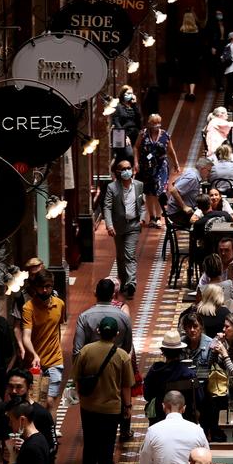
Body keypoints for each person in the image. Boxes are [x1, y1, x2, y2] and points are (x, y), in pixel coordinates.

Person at [71, 317, 134, 464]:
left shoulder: (85, 351)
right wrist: (127, 406)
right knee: (107, 445)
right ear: (116, 334)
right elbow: (126, 386)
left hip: (88, 407)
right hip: (111, 409)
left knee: (90, 443)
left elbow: (77, 378)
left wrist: (82, 397)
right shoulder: (122, 356)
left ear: (98, 331)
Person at [21, 271, 66, 414]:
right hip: (36, 363)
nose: (45, 290)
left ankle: (50, 435)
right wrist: (34, 355)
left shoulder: (60, 305)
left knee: (50, 401)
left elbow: (58, 327)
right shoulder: (28, 308)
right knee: (36, 402)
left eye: (48, 286)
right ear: (35, 287)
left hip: (55, 360)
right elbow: (26, 336)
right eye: (41, 287)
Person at [103, 158, 145, 299]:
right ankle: (123, 281)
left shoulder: (139, 185)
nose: (127, 171)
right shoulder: (112, 188)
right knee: (120, 256)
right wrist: (109, 225)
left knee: (129, 255)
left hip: (133, 225)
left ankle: (131, 284)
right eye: (124, 169)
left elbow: (142, 204)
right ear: (118, 172)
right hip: (118, 227)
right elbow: (107, 207)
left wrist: (143, 217)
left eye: (129, 168)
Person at [143, 330, 201, 425]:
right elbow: (198, 398)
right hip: (185, 419)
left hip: (160, 418)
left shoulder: (155, 371)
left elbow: (147, 395)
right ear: (180, 351)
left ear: (163, 351)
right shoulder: (189, 374)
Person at [135, 113, 180, 228]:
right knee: (149, 192)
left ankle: (159, 217)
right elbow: (136, 147)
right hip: (146, 166)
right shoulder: (143, 134)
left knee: (159, 192)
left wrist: (176, 163)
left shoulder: (165, 135)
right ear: (149, 124)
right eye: (153, 123)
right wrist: (136, 162)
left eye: (157, 123)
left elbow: (171, 151)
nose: (156, 126)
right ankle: (152, 217)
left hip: (161, 167)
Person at [73, 278, 134, 357]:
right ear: (113, 295)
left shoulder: (84, 317)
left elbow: (77, 349)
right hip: (116, 364)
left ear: (96, 294)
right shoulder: (124, 317)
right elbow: (127, 348)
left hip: (91, 365)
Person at [166, 157, 213, 228]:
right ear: (203, 169)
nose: (209, 174)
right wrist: (184, 206)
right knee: (204, 223)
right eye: (209, 171)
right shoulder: (192, 178)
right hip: (178, 213)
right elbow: (173, 190)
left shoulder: (191, 171)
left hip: (181, 210)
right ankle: (197, 238)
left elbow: (174, 182)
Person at [111, 85, 141, 163]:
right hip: (124, 135)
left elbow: (139, 121)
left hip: (135, 134)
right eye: (128, 93)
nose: (130, 95)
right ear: (123, 94)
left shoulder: (133, 107)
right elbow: (117, 123)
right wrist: (123, 136)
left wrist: (135, 104)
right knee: (129, 155)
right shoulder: (118, 107)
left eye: (131, 93)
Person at [177, 10, 202, 100]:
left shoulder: (181, 32)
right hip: (194, 57)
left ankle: (185, 90)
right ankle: (192, 92)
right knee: (193, 74)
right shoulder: (197, 32)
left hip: (183, 57)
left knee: (184, 73)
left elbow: (178, 46)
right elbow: (200, 45)